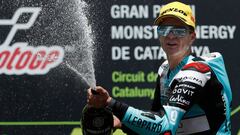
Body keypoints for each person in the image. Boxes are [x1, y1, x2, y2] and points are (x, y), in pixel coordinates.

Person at [87, 1, 232, 135]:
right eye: (164, 29)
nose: (170, 36)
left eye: (179, 30)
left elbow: (165, 128)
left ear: (192, 37)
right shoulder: (164, 70)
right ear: (158, 35)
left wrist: (110, 103)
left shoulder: (197, 71)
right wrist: (121, 123)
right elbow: (154, 124)